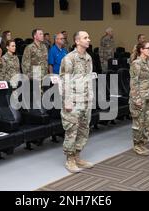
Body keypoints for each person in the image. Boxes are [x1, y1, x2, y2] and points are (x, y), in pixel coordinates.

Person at [60, 31, 94, 173]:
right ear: (77, 41)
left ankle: (77, 156)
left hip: (85, 100)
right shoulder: (69, 58)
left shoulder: (88, 58)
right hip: (73, 101)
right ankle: (69, 160)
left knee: (83, 130)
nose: (89, 39)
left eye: (88, 37)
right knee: (72, 130)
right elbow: (64, 80)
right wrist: (67, 102)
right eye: (85, 38)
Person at [129, 41, 149, 156]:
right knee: (138, 123)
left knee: (147, 122)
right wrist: (136, 100)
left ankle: (142, 143)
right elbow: (134, 83)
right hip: (139, 98)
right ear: (141, 50)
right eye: (148, 48)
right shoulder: (136, 63)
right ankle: (137, 145)